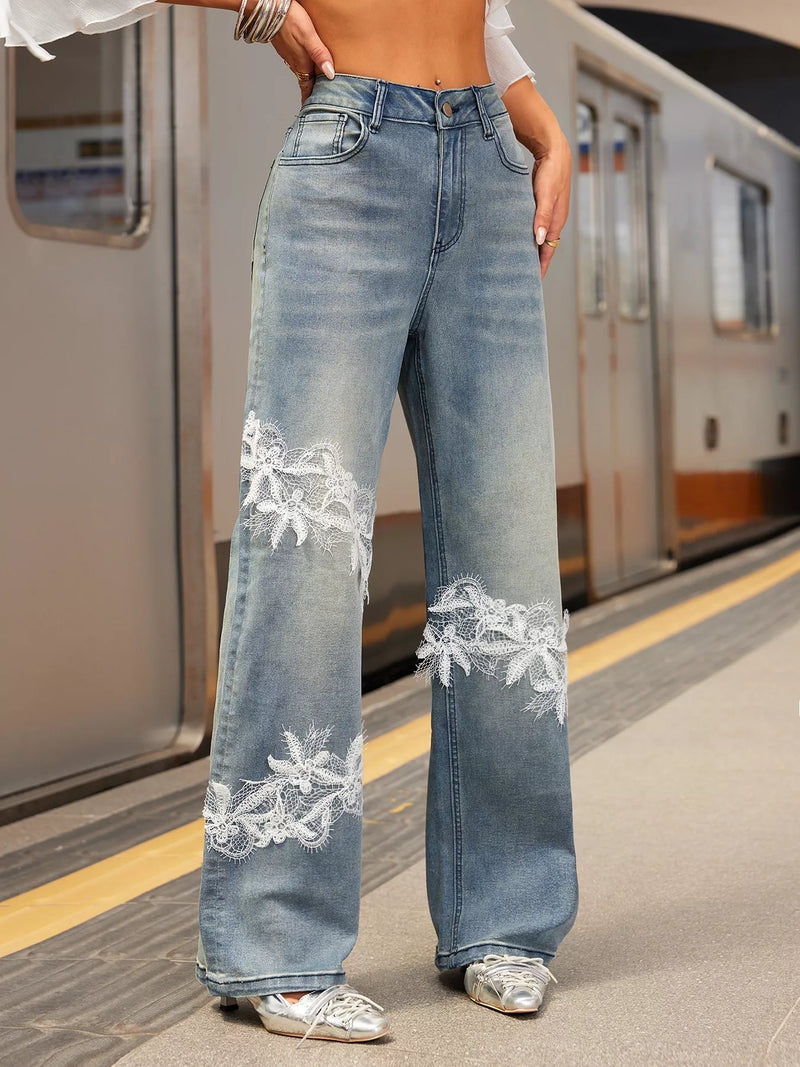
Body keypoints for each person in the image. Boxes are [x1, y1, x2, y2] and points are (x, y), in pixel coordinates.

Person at [4, 0, 579, 1044]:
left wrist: (534, 113)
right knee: (306, 554)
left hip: (487, 156)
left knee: (508, 563)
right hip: (349, 157)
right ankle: (275, 943)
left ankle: (505, 920)